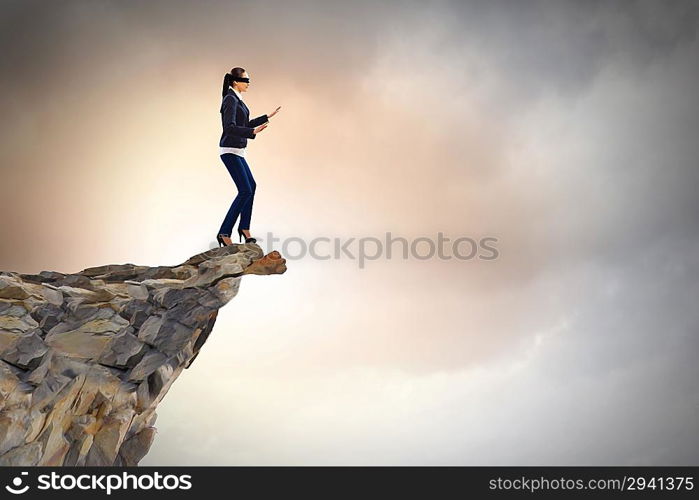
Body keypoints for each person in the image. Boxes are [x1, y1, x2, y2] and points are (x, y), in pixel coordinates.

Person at [216, 67, 281, 246]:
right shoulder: (230, 99)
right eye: (246, 80)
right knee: (244, 190)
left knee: (251, 186)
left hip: (238, 151)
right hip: (229, 150)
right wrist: (252, 131)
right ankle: (224, 233)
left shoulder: (238, 100)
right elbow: (229, 127)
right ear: (235, 82)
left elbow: (243, 124)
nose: (248, 83)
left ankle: (244, 228)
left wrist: (265, 117)